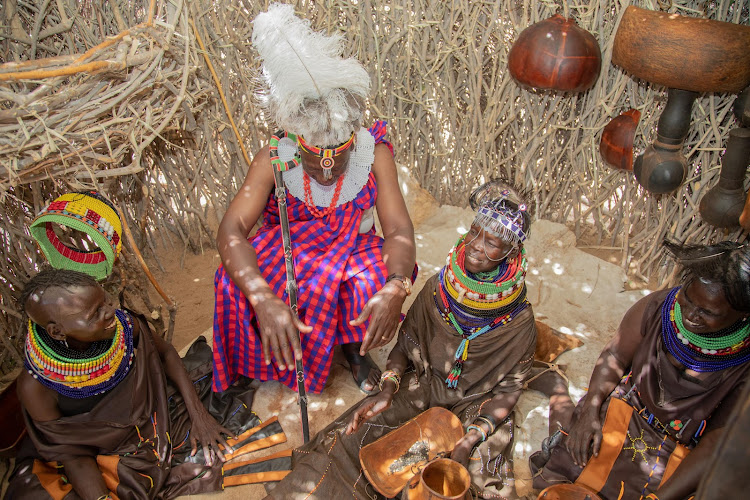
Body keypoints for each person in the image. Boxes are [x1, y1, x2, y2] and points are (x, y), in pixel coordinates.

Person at [265, 182, 537, 499]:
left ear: (512, 252)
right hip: (422, 383)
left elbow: (508, 390)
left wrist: (470, 438)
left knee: (464, 481)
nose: (476, 245)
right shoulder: (440, 287)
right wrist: (388, 388)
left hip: (473, 407)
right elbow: (406, 346)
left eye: (492, 242)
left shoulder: (518, 322)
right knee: (350, 444)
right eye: (475, 231)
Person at [212, 3, 416, 396]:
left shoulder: (375, 154)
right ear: (295, 142)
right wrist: (262, 296)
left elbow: (398, 229)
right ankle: (263, 354)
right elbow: (232, 229)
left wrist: (396, 285)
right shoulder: (272, 156)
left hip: (351, 245)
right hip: (288, 245)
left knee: (374, 277)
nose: (325, 174)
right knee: (230, 279)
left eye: (337, 163)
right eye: (313, 163)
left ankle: (354, 350)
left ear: (352, 142)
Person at [6, 269, 287, 499]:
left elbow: (166, 354)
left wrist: (199, 416)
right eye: (94, 313)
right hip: (107, 450)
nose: (110, 312)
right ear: (56, 331)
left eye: (105, 301)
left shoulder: (125, 326)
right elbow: (71, 452)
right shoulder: (36, 387)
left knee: (222, 380)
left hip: (158, 414)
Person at [532, 241, 750, 500]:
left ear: (743, 314)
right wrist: (590, 409)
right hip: (626, 409)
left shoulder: (743, 366)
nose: (690, 314)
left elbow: (717, 441)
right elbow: (615, 355)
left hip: (682, 445)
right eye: (688, 299)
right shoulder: (659, 307)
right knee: (574, 460)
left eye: (708, 311)